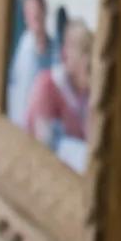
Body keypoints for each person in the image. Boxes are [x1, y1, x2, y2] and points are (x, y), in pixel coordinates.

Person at [24, 18, 92, 151]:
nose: (88, 63)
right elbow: (43, 145)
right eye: (84, 53)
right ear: (67, 53)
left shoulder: (87, 94)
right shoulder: (47, 85)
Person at [5, 0, 56, 127]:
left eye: (37, 11)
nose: (34, 16)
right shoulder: (22, 48)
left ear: (44, 12)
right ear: (25, 16)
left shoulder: (55, 50)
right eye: (30, 12)